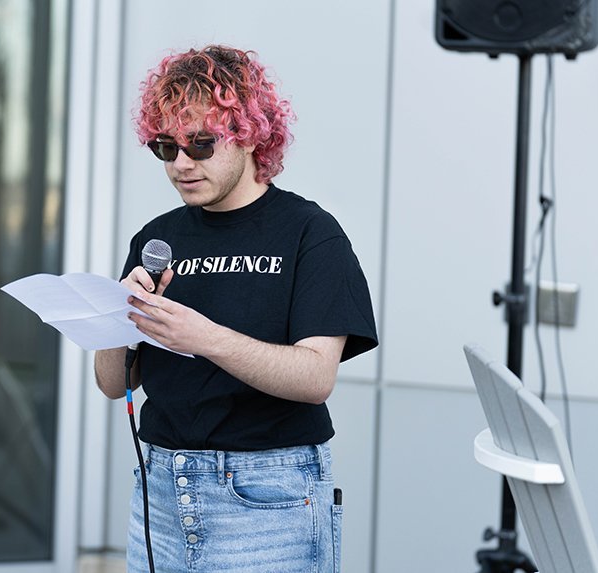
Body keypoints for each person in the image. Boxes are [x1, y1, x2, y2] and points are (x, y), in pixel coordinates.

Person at [94, 45, 378, 572]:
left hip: (267, 493)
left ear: (250, 135)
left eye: (201, 144)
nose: (182, 164)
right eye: (166, 147)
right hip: (161, 484)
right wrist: (119, 316)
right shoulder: (156, 238)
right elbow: (115, 384)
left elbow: (316, 377)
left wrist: (202, 337)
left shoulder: (310, 233)